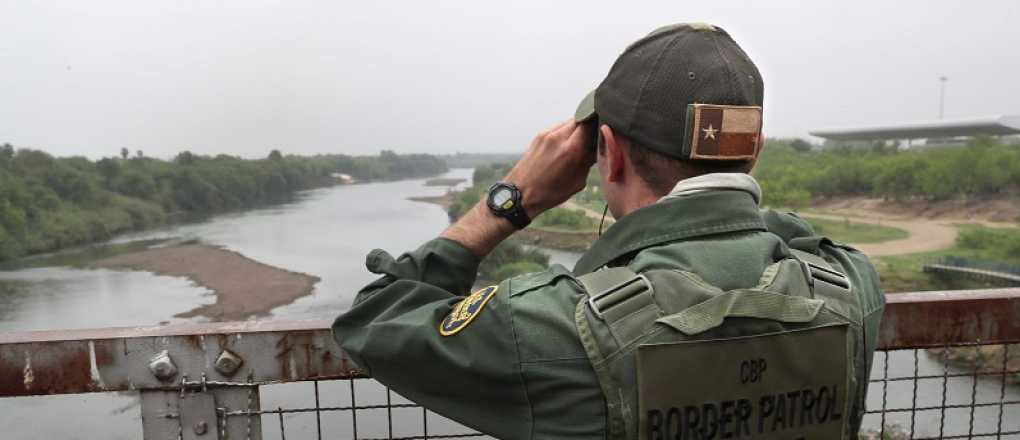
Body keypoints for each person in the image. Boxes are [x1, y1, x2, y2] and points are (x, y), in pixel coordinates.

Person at [333, 23, 884, 440]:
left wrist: (509, 202)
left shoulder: (553, 327)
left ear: (610, 154)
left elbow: (374, 321)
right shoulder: (851, 289)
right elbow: (797, 235)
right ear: (754, 151)